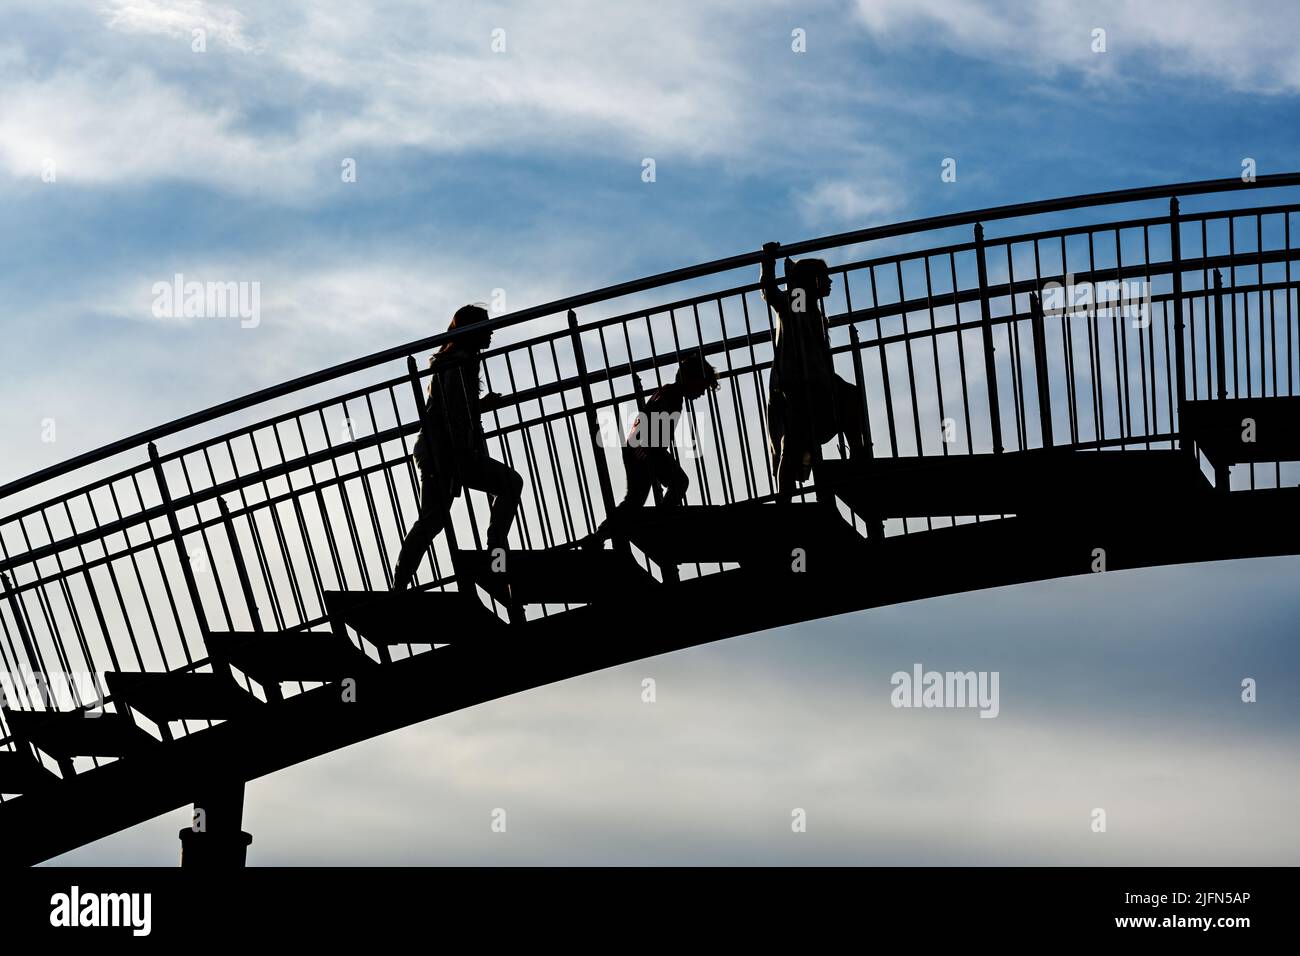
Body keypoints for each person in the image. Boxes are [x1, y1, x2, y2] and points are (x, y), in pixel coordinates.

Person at [392, 304, 524, 590]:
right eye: (485, 326)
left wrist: (477, 408)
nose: (491, 331)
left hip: (448, 452)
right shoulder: (456, 361)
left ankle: (400, 583)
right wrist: (479, 410)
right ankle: (494, 548)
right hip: (444, 452)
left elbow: (456, 407)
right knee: (434, 519)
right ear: (470, 331)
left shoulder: (460, 359)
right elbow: (454, 409)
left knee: (432, 520)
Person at [760, 240, 865, 501]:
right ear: (811, 280)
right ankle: (786, 500)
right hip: (799, 385)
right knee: (795, 442)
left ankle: (858, 454)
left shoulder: (810, 309)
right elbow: (772, 293)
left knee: (847, 399)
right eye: (824, 277)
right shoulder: (798, 302)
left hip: (818, 382)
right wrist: (769, 260)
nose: (830, 282)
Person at [581, 354, 719, 548]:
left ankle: (601, 535)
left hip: (642, 448)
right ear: (692, 379)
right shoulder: (672, 396)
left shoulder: (668, 392)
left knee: (635, 500)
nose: (702, 392)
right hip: (645, 449)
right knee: (674, 484)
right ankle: (660, 523)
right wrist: (652, 455)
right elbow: (656, 427)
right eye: (702, 386)